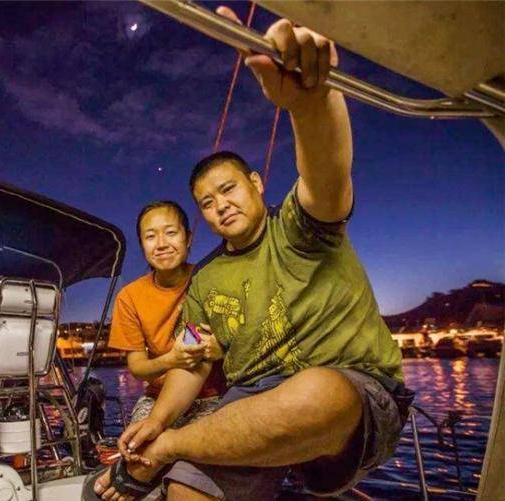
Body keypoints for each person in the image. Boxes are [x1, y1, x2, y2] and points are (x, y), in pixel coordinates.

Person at [89, 6, 410, 501]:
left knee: (317, 391)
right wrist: (156, 419)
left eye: (229, 189)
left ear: (256, 183)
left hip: (352, 392)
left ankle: (168, 450)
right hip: (249, 402)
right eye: (207, 203)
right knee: (187, 494)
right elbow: (193, 362)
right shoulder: (205, 280)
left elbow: (327, 175)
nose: (220, 206)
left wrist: (309, 105)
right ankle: (170, 448)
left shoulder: (301, 228)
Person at [107, 200, 226, 427]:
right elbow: (138, 367)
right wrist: (171, 360)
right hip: (158, 396)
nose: (161, 244)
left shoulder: (211, 279)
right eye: (151, 236)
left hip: (215, 395)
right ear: (142, 245)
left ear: (188, 238)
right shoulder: (129, 297)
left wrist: (220, 350)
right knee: (138, 445)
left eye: (171, 233)